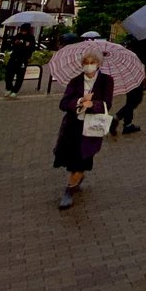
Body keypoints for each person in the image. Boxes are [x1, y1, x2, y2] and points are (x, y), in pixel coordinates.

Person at [53, 48, 114, 210]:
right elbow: (64, 103)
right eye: (86, 63)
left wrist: (93, 104)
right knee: (73, 160)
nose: (89, 66)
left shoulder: (106, 81)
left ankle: (69, 191)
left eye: (92, 63)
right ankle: (76, 180)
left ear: (99, 64)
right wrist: (80, 101)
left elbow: (108, 103)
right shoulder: (75, 81)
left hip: (92, 128)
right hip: (74, 126)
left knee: (82, 160)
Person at [4, 23, 37, 98]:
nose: (23, 32)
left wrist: (25, 45)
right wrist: (15, 43)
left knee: (20, 76)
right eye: (22, 30)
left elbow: (32, 48)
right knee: (8, 74)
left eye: (24, 30)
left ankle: (15, 91)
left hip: (23, 59)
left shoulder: (31, 38)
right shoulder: (17, 36)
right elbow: (11, 44)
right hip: (13, 57)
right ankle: (9, 88)